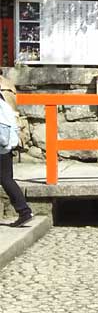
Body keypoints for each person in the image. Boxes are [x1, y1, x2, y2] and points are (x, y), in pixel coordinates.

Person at [0, 76, 32, 227]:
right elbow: (12, 116)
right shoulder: (7, 90)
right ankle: (24, 211)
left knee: (5, 178)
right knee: (6, 178)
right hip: (6, 141)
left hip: (2, 142)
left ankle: (24, 211)